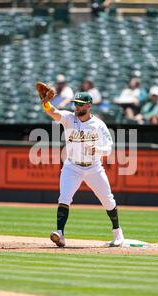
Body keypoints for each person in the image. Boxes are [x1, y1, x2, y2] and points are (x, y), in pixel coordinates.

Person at [38, 88, 124, 248]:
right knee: (64, 198)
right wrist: (46, 104)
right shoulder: (69, 118)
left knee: (107, 200)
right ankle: (60, 234)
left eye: (80, 104)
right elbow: (54, 112)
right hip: (72, 167)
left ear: (89, 106)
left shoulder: (98, 124)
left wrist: (98, 150)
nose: (77, 107)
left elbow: (110, 148)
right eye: (75, 104)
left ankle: (117, 232)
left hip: (94, 168)